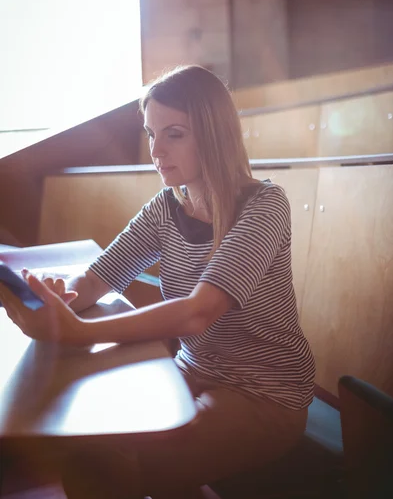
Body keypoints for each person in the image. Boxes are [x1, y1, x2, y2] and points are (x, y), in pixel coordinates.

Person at [0, 65, 315, 499]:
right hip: (193, 369)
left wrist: (85, 332)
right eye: (151, 133)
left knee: (113, 470)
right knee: (99, 443)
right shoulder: (166, 207)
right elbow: (98, 276)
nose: (156, 150)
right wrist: (52, 292)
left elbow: (197, 313)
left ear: (213, 134)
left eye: (174, 134)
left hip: (264, 391)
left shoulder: (264, 204)